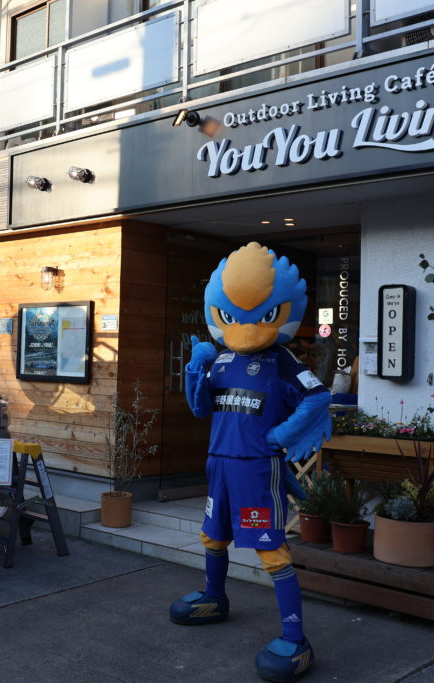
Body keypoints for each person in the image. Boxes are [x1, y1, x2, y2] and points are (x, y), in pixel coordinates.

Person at [170, 242, 331, 683]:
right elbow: (201, 408)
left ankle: (295, 638)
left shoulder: (282, 361)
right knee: (212, 535)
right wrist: (194, 370)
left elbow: (318, 397)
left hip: (258, 469)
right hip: (219, 464)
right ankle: (213, 596)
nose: (244, 327)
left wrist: (280, 436)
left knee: (270, 549)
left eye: (261, 314)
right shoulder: (222, 358)